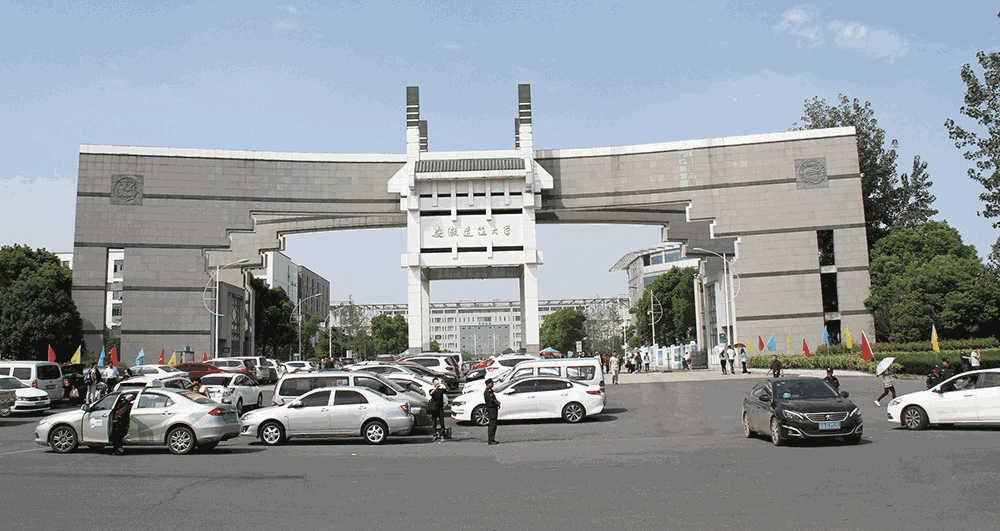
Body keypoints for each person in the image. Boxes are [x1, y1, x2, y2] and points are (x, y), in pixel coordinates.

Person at [483, 379, 500, 445]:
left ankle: (492, 439)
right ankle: (491, 440)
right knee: (492, 425)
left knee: (494, 424)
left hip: (493, 408)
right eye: (491, 383)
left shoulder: (490, 391)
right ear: (488, 384)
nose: (492, 384)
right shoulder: (487, 392)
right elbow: (492, 400)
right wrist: (497, 402)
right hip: (491, 409)